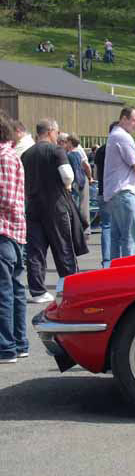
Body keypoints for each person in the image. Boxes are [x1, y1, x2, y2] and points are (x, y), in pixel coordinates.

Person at [21, 119, 83, 303]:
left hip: (33, 206)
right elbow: (67, 175)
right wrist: (69, 185)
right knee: (63, 247)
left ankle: (38, 291)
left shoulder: (26, 154)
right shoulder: (56, 151)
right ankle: (70, 287)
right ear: (50, 132)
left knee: (35, 250)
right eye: (57, 132)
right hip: (55, 205)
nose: (57, 136)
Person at [104, 108, 135, 260]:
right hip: (124, 192)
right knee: (130, 237)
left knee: (116, 237)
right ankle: (128, 275)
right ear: (123, 119)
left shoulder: (114, 135)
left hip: (114, 193)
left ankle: (114, 275)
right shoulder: (123, 137)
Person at [0, 113, 28, 363]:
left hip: (5, 231)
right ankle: (18, 343)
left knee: (5, 292)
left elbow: (7, 200)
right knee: (15, 290)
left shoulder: (3, 158)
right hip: (14, 231)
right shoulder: (10, 156)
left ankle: (7, 346)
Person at [94, 123, 117, 267]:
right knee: (119, 228)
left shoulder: (101, 150)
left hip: (102, 191)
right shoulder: (117, 147)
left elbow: (96, 173)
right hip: (116, 192)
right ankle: (118, 259)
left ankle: (107, 261)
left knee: (106, 226)